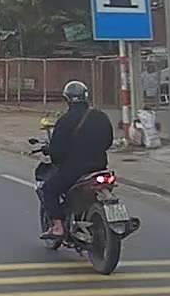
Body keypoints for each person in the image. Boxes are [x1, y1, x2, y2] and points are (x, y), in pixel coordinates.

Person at [39, 80, 115, 239]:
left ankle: (57, 227)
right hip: (100, 168)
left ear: (67, 99)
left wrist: (54, 155)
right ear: (86, 96)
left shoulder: (64, 121)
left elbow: (57, 153)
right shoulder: (101, 116)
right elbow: (108, 142)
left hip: (74, 171)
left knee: (48, 190)